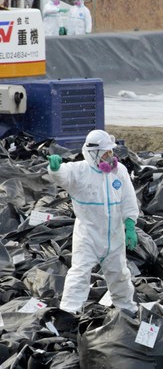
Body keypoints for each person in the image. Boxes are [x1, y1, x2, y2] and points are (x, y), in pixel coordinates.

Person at [46, 130, 139, 314]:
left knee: (119, 274)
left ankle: (127, 311)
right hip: (88, 234)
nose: (110, 157)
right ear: (93, 153)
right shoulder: (80, 170)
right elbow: (63, 175)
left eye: (111, 152)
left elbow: (128, 199)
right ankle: (69, 313)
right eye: (105, 153)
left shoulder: (119, 171)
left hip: (114, 235)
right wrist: (54, 168)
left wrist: (130, 224)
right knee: (79, 274)